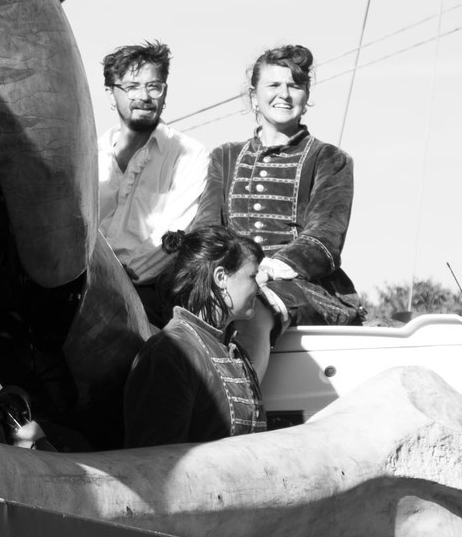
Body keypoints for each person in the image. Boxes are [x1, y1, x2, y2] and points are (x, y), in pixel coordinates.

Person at [196, 45, 363, 360]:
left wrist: (265, 271)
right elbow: (208, 229)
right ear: (253, 95)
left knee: (255, 307)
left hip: (303, 288)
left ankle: (246, 406)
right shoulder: (225, 156)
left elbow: (324, 239)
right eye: (273, 85)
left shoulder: (330, 159)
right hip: (228, 280)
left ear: (306, 95)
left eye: (294, 86)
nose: (284, 94)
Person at [94, 41, 212, 325]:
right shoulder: (91, 154)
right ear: (111, 95)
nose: (144, 96)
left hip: (146, 291)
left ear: (165, 93)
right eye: (132, 87)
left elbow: (174, 237)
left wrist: (118, 275)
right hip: (86, 282)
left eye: (153, 87)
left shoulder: (188, 154)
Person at [123, 226, 269, 446]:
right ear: (221, 277)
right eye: (252, 276)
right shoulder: (170, 352)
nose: (258, 288)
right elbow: (158, 461)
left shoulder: (236, 351)